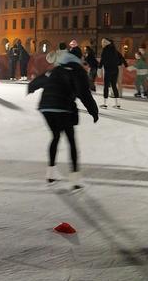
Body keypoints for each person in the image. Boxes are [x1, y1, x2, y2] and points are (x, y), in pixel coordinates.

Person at [28, 46, 98, 191]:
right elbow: (83, 93)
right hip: (63, 107)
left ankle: (51, 173)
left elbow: (41, 79)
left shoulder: (57, 69)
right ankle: (75, 179)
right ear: (79, 58)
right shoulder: (78, 70)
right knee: (71, 141)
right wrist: (93, 111)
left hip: (45, 107)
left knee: (55, 137)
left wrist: (31, 87)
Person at [99, 38, 123, 108]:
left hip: (108, 70)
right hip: (115, 70)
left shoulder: (105, 49)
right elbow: (120, 59)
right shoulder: (114, 50)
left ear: (106, 43)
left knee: (106, 86)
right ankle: (117, 104)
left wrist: (99, 68)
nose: (102, 43)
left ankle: (105, 104)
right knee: (114, 86)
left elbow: (102, 59)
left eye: (103, 42)